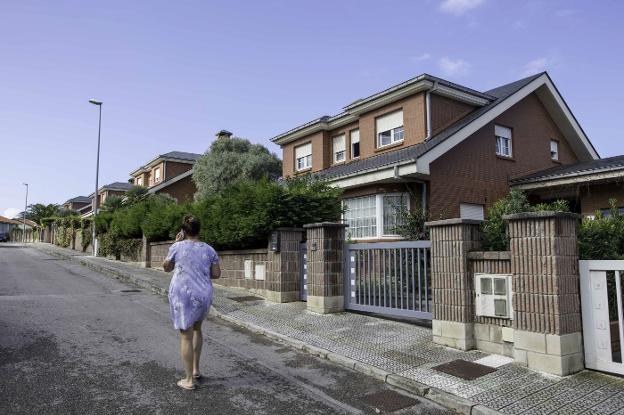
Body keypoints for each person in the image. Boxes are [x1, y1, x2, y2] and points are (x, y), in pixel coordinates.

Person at [162, 215, 221, 390]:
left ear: (183, 231)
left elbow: (166, 268)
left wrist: (174, 244)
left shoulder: (176, 247)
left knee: (185, 335)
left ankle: (188, 380)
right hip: (203, 295)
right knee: (197, 329)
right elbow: (216, 274)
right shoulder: (209, 250)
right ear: (199, 230)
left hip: (183, 295)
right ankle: (195, 370)